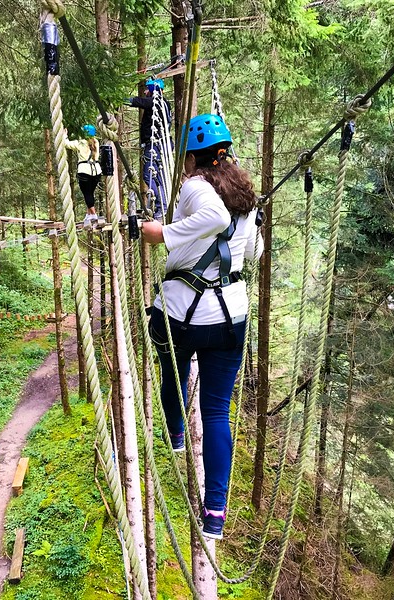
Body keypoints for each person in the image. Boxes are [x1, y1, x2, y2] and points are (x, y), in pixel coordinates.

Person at [141, 114, 262, 540]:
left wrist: (161, 234)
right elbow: (253, 251)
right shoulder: (246, 195)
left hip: (183, 314)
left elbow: (211, 219)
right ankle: (215, 511)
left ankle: (175, 432)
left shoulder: (194, 185)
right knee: (215, 412)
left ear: (192, 156)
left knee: (172, 373)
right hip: (231, 317)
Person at [125, 77, 171, 219]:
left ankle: (161, 206)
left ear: (153, 90)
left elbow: (137, 102)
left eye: (147, 89)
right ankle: (162, 205)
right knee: (158, 177)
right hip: (159, 145)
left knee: (149, 175)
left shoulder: (156, 102)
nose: (145, 92)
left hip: (155, 145)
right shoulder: (164, 104)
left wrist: (119, 99)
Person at [64, 124, 102, 227]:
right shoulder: (96, 142)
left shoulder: (81, 143)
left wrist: (64, 135)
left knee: (87, 194)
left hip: (84, 171)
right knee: (90, 193)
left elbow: (66, 144)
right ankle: (88, 214)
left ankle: (93, 214)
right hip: (96, 171)